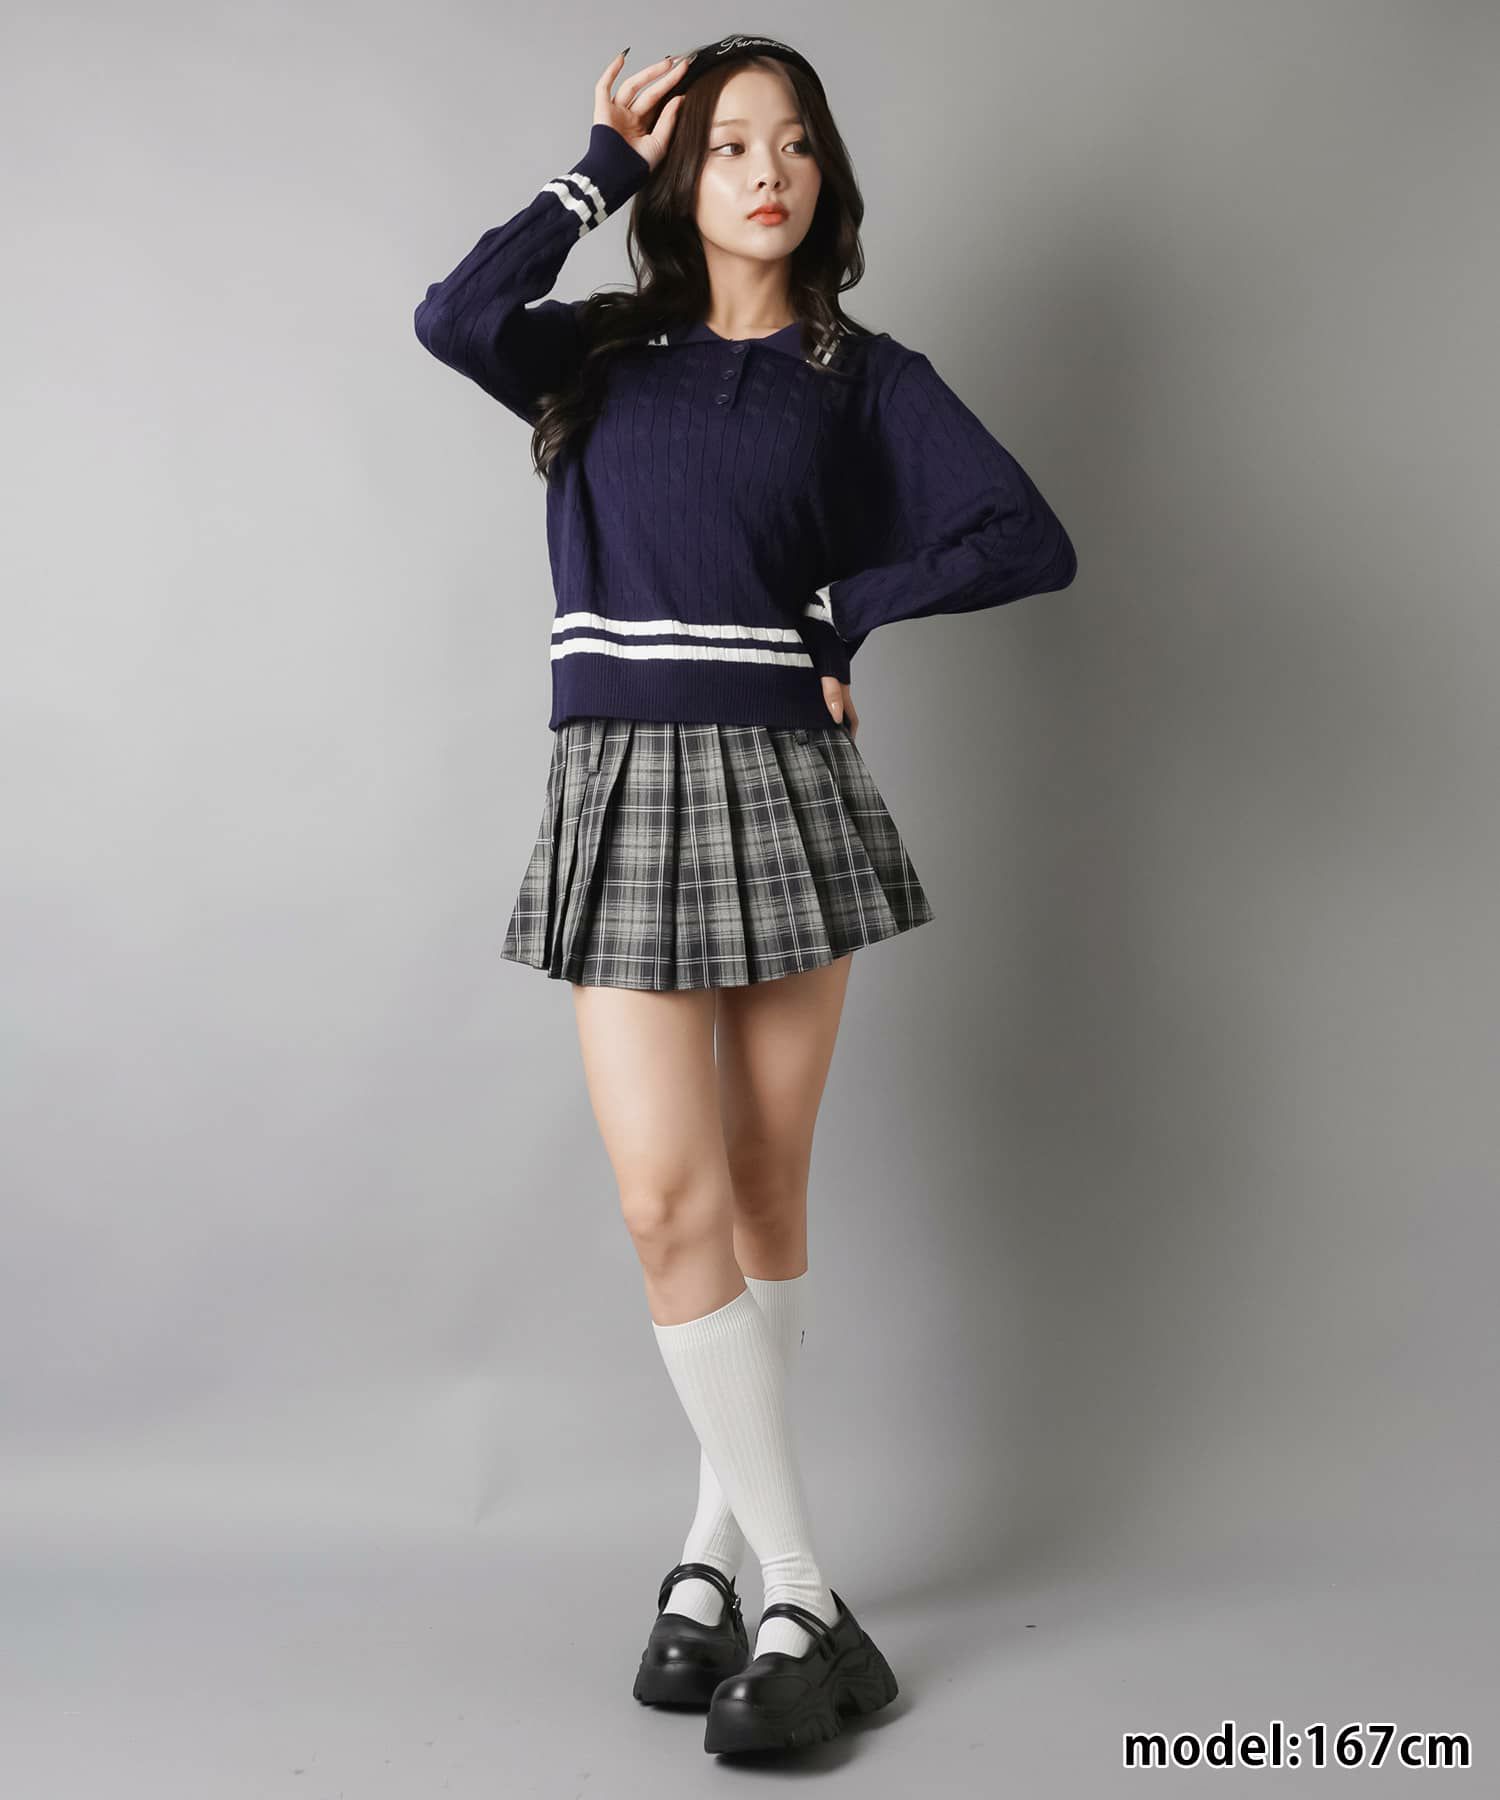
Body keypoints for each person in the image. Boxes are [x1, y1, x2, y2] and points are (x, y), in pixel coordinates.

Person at [413, 33, 1077, 1758]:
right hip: (621, 788)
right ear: (679, 179)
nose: (764, 171)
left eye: (791, 143)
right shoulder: (596, 353)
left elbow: (1025, 536)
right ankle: (807, 1595)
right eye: (724, 145)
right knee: (667, 1202)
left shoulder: (863, 376)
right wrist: (593, 167)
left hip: (782, 783)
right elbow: (454, 318)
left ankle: (714, 1572)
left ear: (825, 172)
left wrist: (854, 607)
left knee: (766, 1184)